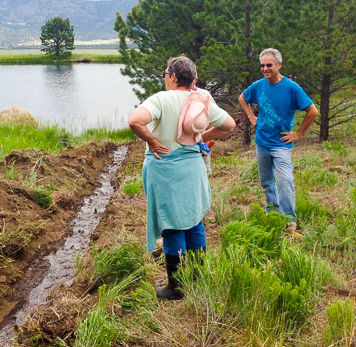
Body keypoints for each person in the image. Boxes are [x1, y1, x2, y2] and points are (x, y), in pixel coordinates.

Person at [129, 56, 235, 300]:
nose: (165, 77)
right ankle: (197, 278)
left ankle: (176, 288)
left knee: (171, 224)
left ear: (174, 77)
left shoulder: (161, 99)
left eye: (166, 73)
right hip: (193, 169)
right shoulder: (201, 100)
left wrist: (152, 141)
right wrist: (203, 136)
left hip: (165, 171)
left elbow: (135, 121)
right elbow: (229, 126)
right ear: (192, 79)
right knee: (194, 220)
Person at [239, 48, 318, 235]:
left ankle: (289, 222)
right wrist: (251, 117)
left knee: (285, 181)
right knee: (267, 181)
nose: (265, 69)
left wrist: (298, 134)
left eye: (269, 65)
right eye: (262, 66)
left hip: (281, 144)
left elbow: (312, 111)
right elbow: (242, 97)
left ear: (279, 65)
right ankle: (273, 215)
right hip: (262, 142)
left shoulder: (292, 88)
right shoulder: (259, 85)